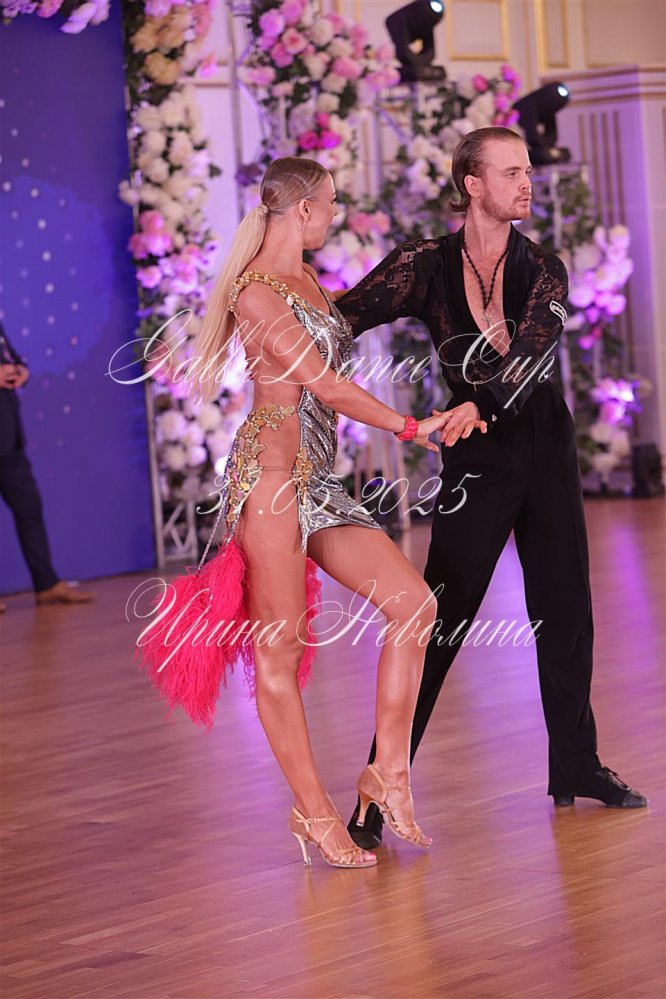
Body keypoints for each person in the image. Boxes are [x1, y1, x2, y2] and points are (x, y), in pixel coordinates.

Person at [335, 127, 647, 850]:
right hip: (475, 456)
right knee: (436, 619)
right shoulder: (423, 265)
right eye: (511, 172)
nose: (526, 183)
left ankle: (577, 763)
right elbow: (344, 315)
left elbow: (534, 350)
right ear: (472, 185)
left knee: (564, 607)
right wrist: (273, 303)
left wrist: (480, 400)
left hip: (543, 443)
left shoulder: (544, 267)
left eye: (527, 171)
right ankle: (378, 788)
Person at [185, 157, 487, 869]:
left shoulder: (309, 281)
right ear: (303, 210)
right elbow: (327, 386)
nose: (334, 214)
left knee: (414, 605)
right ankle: (314, 812)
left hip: (319, 479)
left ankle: (388, 773)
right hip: (270, 481)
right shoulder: (255, 293)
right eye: (329, 204)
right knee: (280, 651)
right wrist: (414, 427)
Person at [0, 321, 94, 611]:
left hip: (8, 435)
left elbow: (11, 358)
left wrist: (21, 371)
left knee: (30, 508)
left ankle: (46, 583)